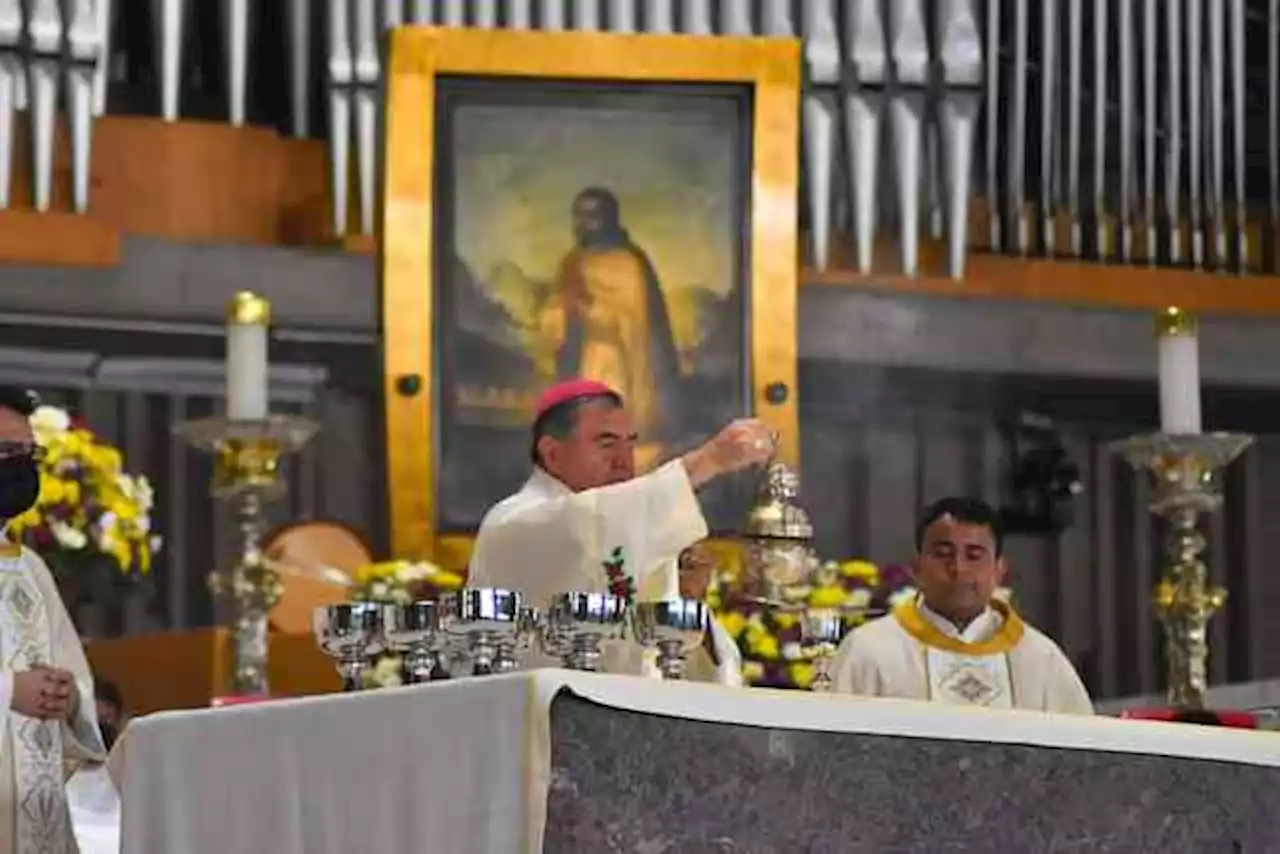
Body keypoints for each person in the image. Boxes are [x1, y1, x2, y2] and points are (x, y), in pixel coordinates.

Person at [468, 379, 775, 682]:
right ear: (552, 453)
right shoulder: (513, 523)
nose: (624, 460)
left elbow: (678, 670)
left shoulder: (631, 525)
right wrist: (710, 460)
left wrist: (689, 602)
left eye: (630, 443)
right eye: (607, 443)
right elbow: (579, 525)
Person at [830, 497, 1093, 714]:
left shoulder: (1041, 659)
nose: (958, 569)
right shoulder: (870, 651)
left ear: (1000, 570)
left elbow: (1082, 753)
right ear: (916, 567)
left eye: (974, 556)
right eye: (943, 554)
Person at [0, 387, 106, 852]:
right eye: (7, 452)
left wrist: (68, 699)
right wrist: (10, 691)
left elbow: (73, 674)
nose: (22, 466)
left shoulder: (30, 567)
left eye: (30, 453)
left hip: (35, 808)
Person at [539, 188, 684, 470]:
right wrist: (558, 315)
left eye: (591, 216)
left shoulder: (628, 264)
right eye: (579, 216)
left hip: (618, 359)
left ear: (608, 218)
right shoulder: (573, 262)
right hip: (583, 357)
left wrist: (591, 313)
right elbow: (557, 306)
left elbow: (633, 320)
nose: (583, 224)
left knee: (612, 420)